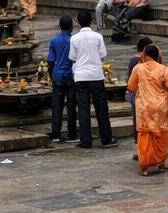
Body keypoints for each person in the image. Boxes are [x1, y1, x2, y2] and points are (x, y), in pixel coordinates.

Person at [70, 8, 117, 149]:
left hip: (81, 76)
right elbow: (102, 54)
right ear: (91, 22)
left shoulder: (74, 38)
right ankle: (106, 138)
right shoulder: (97, 37)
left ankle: (85, 140)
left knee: (83, 109)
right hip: (96, 75)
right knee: (101, 107)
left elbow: (72, 57)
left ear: (78, 23)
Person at [127, 43, 168, 176]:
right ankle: (161, 164)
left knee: (145, 135)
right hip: (161, 107)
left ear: (145, 55)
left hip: (144, 108)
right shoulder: (163, 69)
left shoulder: (138, 68)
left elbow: (131, 87)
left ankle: (144, 168)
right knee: (161, 134)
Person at [47, 13, 78, 143]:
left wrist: (51, 73)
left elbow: (50, 60)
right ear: (71, 27)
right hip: (71, 75)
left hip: (58, 75)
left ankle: (55, 134)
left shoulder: (54, 40)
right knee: (71, 105)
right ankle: (72, 134)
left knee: (57, 105)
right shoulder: (74, 40)